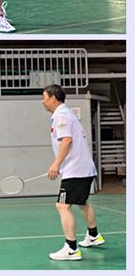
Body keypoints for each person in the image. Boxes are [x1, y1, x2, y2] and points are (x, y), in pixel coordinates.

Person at [42, 84, 103, 261]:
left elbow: (67, 140)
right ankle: (93, 235)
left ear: (53, 98)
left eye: (44, 98)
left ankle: (71, 249)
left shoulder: (61, 115)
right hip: (84, 168)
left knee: (62, 206)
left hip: (75, 169)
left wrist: (56, 164)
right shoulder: (68, 113)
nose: (43, 102)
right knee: (81, 202)